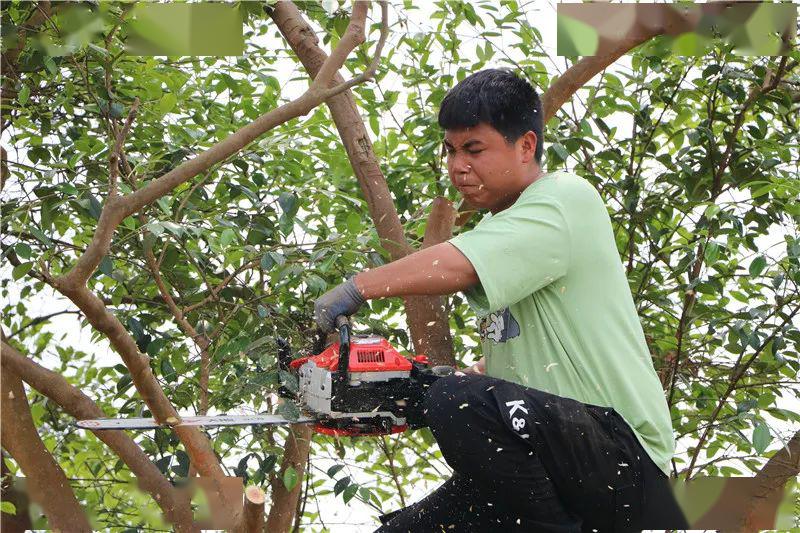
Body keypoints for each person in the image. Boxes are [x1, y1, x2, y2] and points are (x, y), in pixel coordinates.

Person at [313, 68, 689, 532]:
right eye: (450, 150)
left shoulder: (564, 198)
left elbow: (458, 266)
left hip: (624, 461)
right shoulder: (504, 232)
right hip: (557, 464)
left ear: (526, 146)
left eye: (474, 149)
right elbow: (529, 380)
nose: (457, 166)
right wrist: (405, 393)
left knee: (458, 401)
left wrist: (357, 289)